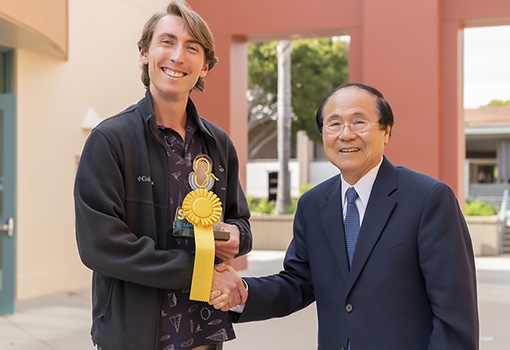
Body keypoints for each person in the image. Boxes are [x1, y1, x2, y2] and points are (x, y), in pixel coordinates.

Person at [211, 82, 479, 349]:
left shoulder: (428, 198)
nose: (346, 134)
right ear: (323, 133)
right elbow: (297, 283)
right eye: (334, 124)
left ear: (386, 131)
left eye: (359, 122)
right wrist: (242, 291)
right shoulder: (312, 205)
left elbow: (455, 313)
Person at [74, 2, 250, 350]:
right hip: (134, 335)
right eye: (167, 41)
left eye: (192, 47)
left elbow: (239, 221)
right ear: (145, 52)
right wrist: (195, 272)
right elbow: (100, 245)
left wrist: (237, 237)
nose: (178, 56)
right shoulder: (110, 140)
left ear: (206, 67)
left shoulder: (219, 145)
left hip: (204, 332)